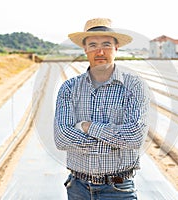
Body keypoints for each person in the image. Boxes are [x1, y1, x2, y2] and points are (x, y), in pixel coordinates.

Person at [54, 18, 150, 200]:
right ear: (85, 49)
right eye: (92, 45)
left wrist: (87, 127)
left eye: (106, 44)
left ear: (116, 48)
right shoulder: (69, 88)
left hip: (118, 190)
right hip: (78, 188)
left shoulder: (134, 86)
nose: (99, 51)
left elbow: (136, 137)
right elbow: (62, 139)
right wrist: (113, 144)